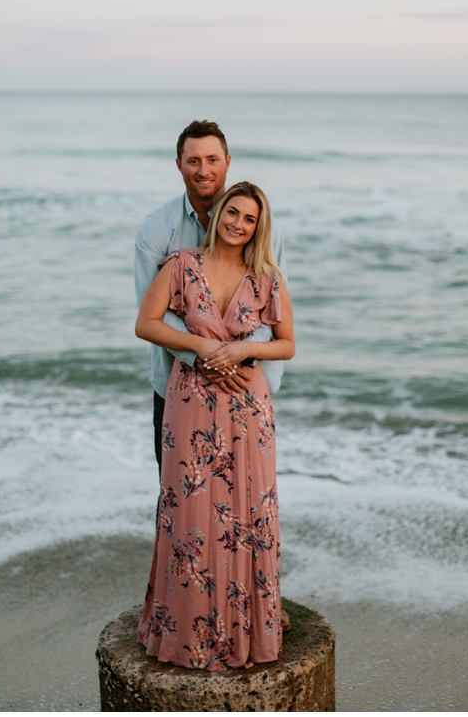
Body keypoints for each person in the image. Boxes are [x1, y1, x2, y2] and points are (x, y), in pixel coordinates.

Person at [134, 180, 296, 669]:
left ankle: (250, 631)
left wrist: (245, 347)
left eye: (249, 219)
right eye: (233, 213)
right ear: (219, 212)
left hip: (249, 407)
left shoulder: (267, 276)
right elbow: (147, 323)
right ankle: (184, 631)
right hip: (191, 403)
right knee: (189, 510)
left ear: (256, 227)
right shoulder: (180, 264)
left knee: (250, 514)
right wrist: (204, 347)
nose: (238, 224)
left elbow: (286, 343)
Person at [134, 121, 286, 472]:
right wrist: (201, 352)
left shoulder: (263, 226)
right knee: (179, 487)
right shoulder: (158, 230)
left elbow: (273, 306)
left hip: (244, 379)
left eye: (213, 159)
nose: (204, 170)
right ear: (178, 165)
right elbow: (150, 310)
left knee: (243, 491)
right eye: (193, 161)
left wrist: (238, 355)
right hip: (177, 376)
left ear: (228, 162)